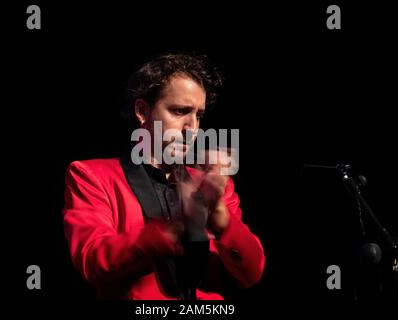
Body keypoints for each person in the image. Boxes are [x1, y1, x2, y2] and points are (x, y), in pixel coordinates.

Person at [62, 53, 265, 299]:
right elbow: (93, 262)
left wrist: (220, 216)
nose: (193, 127)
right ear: (142, 111)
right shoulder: (91, 175)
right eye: (180, 111)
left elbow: (251, 274)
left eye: (198, 115)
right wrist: (175, 228)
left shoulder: (213, 185)